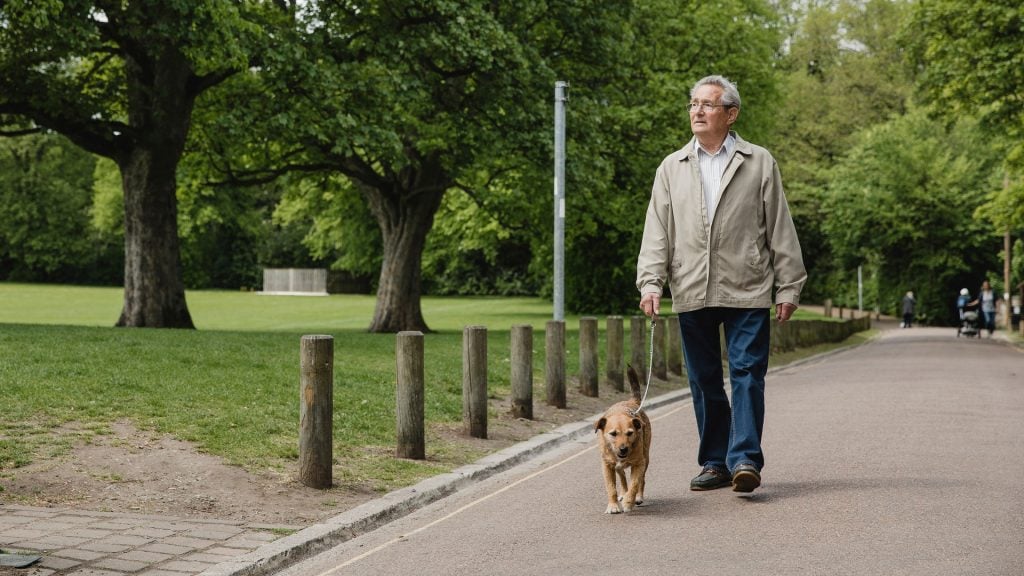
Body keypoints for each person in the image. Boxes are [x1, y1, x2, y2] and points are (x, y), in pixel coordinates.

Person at [636, 75, 806, 494]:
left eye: (707, 105)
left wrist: (789, 285)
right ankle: (715, 461)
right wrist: (651, 282)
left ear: (731, 114)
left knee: (748, 372)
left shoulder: (759, 161)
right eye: (693, 104)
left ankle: (745, 457)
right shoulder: (671, 167)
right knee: (705, 379)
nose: (696, 111)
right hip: (691, 286)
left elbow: (779, 227)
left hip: (748, 286)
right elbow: (657, 229)